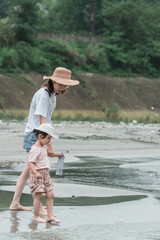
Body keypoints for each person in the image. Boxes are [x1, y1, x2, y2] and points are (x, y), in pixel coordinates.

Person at [10, 67, 79, 212]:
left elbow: (46, 121)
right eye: (59, 84)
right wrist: (49, 145)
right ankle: (39, 207)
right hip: (36, 136)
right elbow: (43, 123)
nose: (62, 88)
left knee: (28, 170)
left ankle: (15, 203)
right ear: (52, 81)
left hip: (39, 135)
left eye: (64, 85)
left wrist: (48, 145)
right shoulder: (44, 95)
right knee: (37, 171)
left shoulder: (52, 95)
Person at [28, 123, 61, 223]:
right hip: (38, 174)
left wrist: (56, 155)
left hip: (46, 174)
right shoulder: (35, 149)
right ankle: (36, 215)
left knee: (50, 194)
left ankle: (50, 215)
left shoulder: (43, 146)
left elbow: (47, 154)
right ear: (40, 136)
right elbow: (31, 162)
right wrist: (35, 173)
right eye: (49, 138)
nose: (49, 141)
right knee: (40, 195)